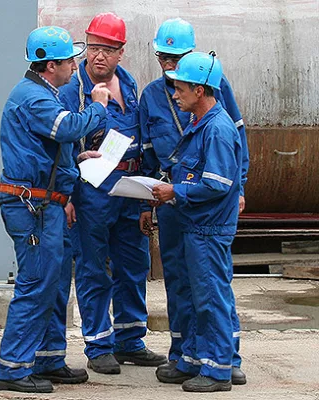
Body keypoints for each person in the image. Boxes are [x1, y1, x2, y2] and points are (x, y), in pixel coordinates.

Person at [0, 25, 112, 393]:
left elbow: (48, 148)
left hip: (47, 205)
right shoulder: (35, 98)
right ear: (49, 66)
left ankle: (47, 357)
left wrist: (77, 159)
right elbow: (68, 127)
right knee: (36, 284)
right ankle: (12, 369)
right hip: (34, 208)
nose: (75, 66)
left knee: (56, 284)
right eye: (69, 61)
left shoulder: (42, 93)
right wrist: (99, 105)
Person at [138, 18, 248, 386]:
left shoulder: (215, 125)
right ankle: (189, 356)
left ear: (200, 89)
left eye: (181, 86)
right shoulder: (193, 115)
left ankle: (220, 365)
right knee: (189, 288)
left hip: (203, 219)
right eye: (163, 57)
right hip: (186, 215)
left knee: (211, 293)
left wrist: (178, 192)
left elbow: (217, 181)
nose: (174, 90)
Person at [58, 12, 166, 375]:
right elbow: (61, 145)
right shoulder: (72, 90)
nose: (97, 56)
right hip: (92, 190)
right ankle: (99, 345)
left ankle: (130, 340)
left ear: (121, 52)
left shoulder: (130, 83)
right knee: (92, 267)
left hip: (130, 187)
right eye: (92, 48)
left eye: (106, 49)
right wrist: (69, 195)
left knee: (134, 264)